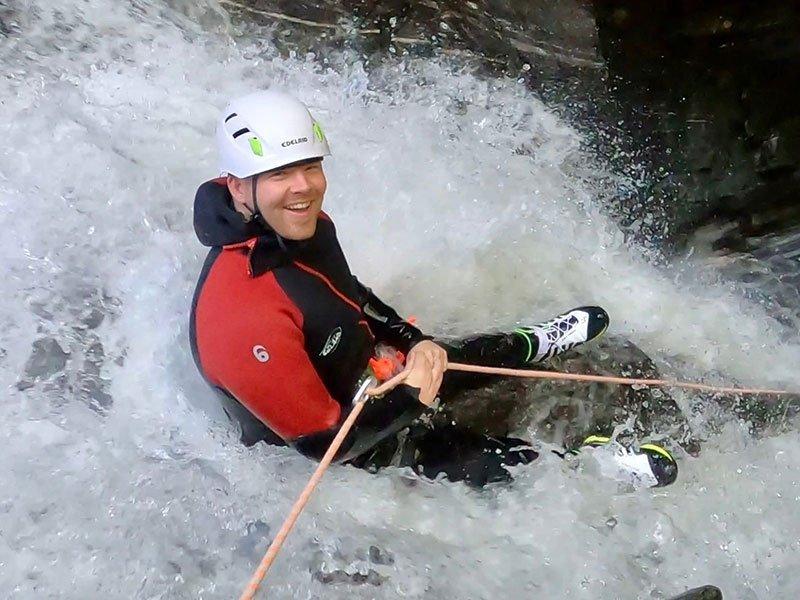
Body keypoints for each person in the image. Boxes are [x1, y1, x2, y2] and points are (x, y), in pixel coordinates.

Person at [189, 90, 677, 488]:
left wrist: (410, 340)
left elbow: (348, 294)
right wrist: (408, 400)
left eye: (310, 166)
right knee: (474, 460)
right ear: (236, 187)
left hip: (364, 376)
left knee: (449, 355)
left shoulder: (303, 223)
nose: (304, 187)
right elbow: (324, 445)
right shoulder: (240, 317)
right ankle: (587, 469)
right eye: (279, 173)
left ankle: (533, 342)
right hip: (329, 448)